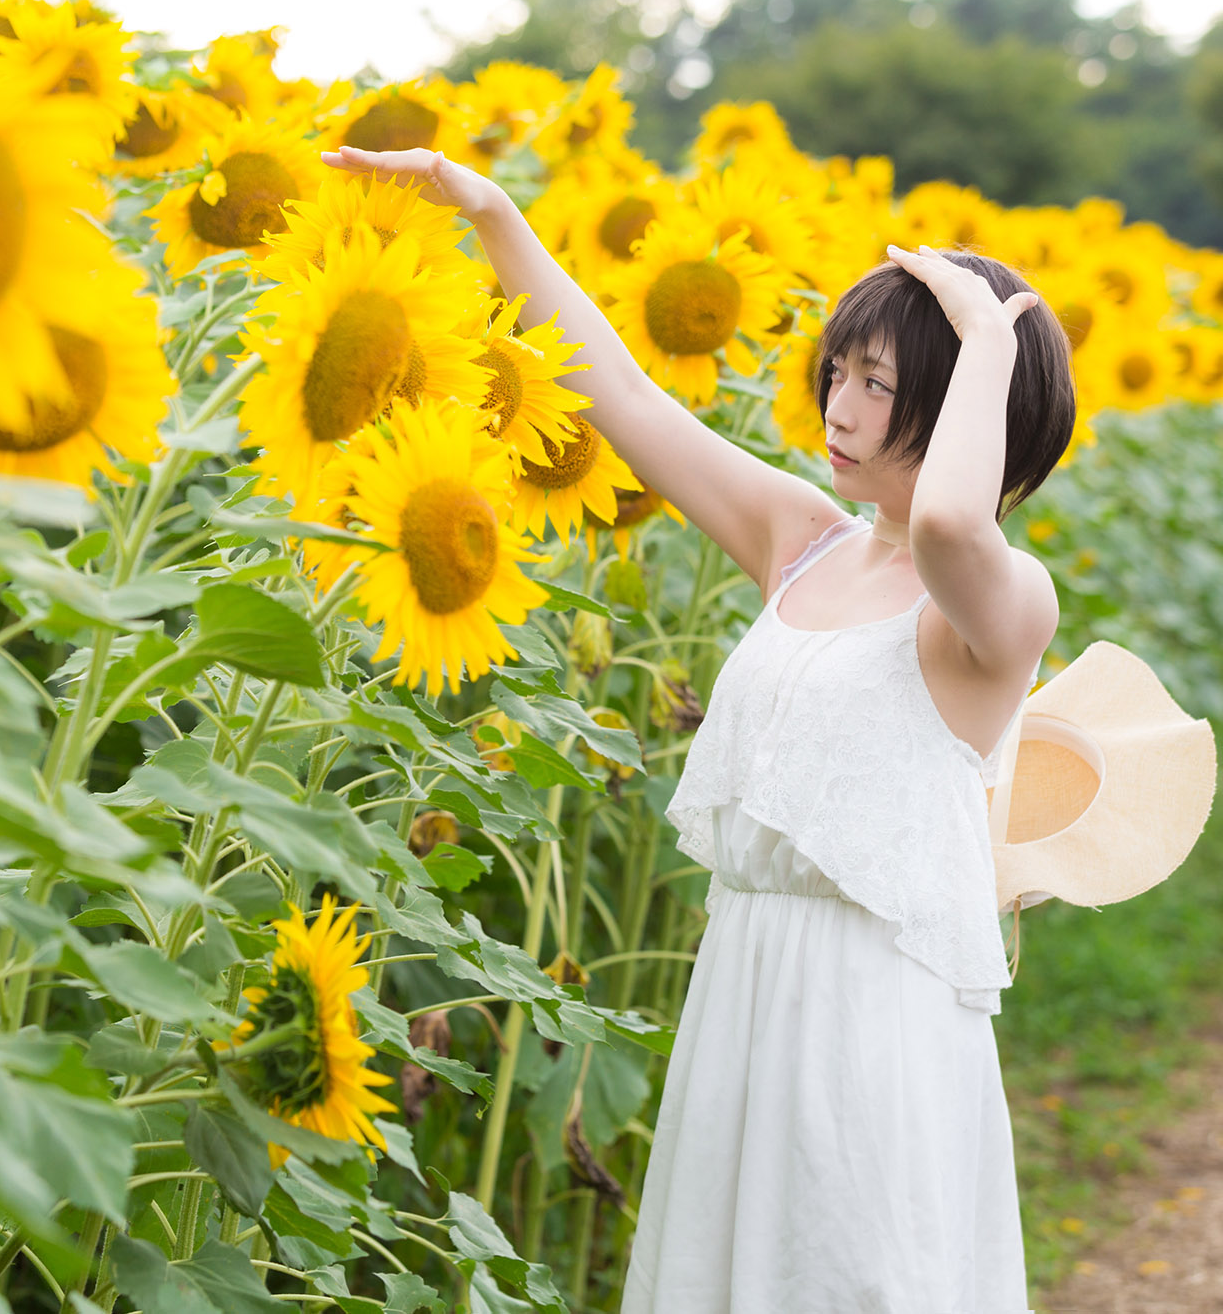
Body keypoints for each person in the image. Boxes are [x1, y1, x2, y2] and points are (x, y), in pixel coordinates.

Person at [321, 142, 1077, 1313]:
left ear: (966, 405)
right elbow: (621, 397)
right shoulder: (805, 538)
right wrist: (491, 213)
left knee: (849, 1273)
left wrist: (988, 337)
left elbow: (946, 523)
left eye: (879, 385)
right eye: (841, 372)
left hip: (869, 1015)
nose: (837, 406)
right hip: (743, 978)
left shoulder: (994, 601)